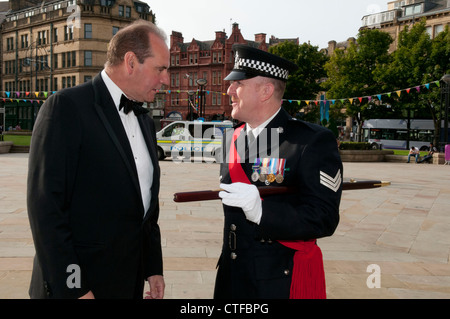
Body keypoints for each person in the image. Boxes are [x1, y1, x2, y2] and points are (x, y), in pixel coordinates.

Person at [27, 20, 169, 299]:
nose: (165, 79)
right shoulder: (66, 108)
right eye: (160, 69)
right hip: (80, 287)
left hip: (127, 284)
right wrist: (74, 287)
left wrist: (152, 267)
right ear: (130, 62)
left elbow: (147, 211)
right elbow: (46, 210)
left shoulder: (145, 122)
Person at [214, 45, 343, 299]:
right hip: (231, 278)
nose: (229, 90)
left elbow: (323, 217)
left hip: (276, 283)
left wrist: (263, 211)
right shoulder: (230, 139)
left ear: (265, 91)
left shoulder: (310, 141)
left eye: (237, 83)